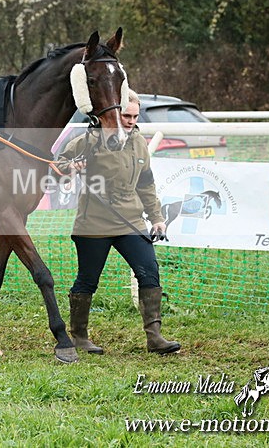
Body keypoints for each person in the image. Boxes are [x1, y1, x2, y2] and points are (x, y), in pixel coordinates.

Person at [58, 91, 180, 355]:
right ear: (110, 113)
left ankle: (155, 338)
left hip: (131, 220)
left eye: (135, 116)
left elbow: (146, 184)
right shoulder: (88, 140)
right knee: (88, 280)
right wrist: (71, 168)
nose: (130, 121)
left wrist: (157, 217)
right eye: (126, 115)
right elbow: (57, 167)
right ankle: (79, 337)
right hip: (94, 223)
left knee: (149, 271)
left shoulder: (138, 142)